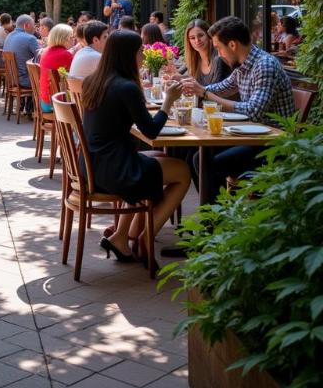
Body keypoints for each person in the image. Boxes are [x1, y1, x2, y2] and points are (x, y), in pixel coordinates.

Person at [81, 30, 190, 262]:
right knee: (182, 171)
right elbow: (150, 130)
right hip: (116, 169)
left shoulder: (94, 81)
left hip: (90, 165)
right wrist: (168, 101)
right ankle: (146, 236)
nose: (142, 55)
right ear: (128, 55)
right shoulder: (126, 88)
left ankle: (121, 237)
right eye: (140, 51)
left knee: (155, 156)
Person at [181, 16, 295, 191]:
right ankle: (216, 215)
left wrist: (204, 93)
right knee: (196, 157)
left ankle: (219, 215)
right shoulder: (244, 65)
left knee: (208, 164)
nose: (219, 54)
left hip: (272, 143)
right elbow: (223, 87)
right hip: (251, 136)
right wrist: (194, 87)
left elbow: (254, 111)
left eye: (219, 48)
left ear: (232, 45)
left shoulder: (264, 65)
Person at [3, 15, 40, 113]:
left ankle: (25, 105)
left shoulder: (9, 36)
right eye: (33, 25)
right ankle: (33, 110)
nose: (35, 28)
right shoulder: (30, 38)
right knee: (45, 79)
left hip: (12, 78)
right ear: (26, 25)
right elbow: (41, 56)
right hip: (24, 80)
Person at [179, 19, 231, 88]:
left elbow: (216, 91)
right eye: (192, 38)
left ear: (209, 36)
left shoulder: (218, 58)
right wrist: (175, 75)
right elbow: (179, 73)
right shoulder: (194, 58)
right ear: (189, 41)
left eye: (200, 35)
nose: (197, 41)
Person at [39, 24, 74, 113]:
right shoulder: (65, 55)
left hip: (44, 100)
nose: (74, 40)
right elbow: (74, 75)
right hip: (55, 102)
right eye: (71, 37)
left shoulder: (46, 51)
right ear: (63, 39)